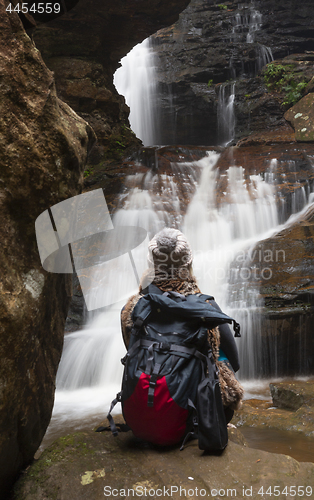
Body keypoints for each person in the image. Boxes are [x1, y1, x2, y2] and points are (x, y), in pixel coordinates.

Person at [121, 227, 243, 424]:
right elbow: (235, 364)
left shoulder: (133, 308)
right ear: (189, 263)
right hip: (192, 419)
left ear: (151, 264)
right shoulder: (205, 308)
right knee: (220, 354)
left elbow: (132, 352)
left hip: (140, 416)